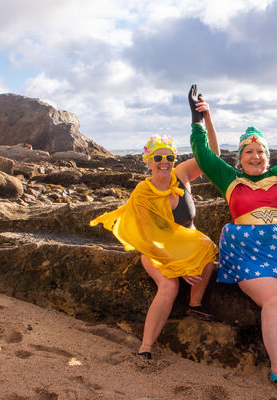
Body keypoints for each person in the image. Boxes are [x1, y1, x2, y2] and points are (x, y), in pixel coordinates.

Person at [189, 86, 277, 397]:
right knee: (276, 299)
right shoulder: (229, 178)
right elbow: (203, 154)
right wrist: (198, 120)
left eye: (260, 151)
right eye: (249, 152)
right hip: (247, 248)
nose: (255, 156)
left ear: (267, 155)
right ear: (240, 157)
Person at [90, 91, 221, 361]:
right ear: (148, 161)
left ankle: (195, 303)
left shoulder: (181, 174)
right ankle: (146, 347)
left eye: (169, 158)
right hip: (157, 249)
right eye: (158, 158)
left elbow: (213, 157)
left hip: (188, 242)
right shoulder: (142, 193)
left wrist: (204, 118)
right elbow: (148, 238)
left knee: (208, 247)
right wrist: (179, 268)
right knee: (170, 286)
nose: (164, 163)